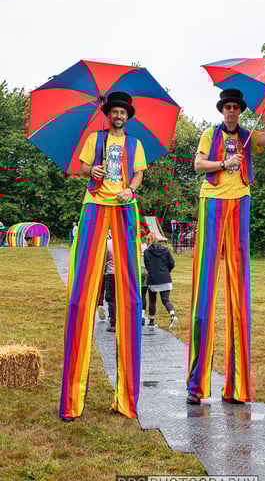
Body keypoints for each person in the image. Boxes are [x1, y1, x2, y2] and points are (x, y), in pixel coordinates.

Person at [186, 88, 265, 405]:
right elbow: (198, 165)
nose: (231, 112)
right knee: (205, 289)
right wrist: (223, 163)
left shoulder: (248, 136)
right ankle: (196, 387)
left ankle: (237, 387)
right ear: (221, 110)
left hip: (240, 202)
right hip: (211, 202)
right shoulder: (208, 134)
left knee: (239, 289)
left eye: (236, 108)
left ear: (241, 112)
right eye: (227, 107)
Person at [59, 91, 147, 421]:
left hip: (124, 207)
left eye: (124, 112)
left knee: (128, 290)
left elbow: (139, 173)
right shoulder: (94, 139)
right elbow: (81, 168)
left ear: (128, 116)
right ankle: (72, 400)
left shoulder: (135, 144)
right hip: (94, 205)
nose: (119, 116)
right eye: (115, 111)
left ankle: (126, 398)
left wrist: (131, 189)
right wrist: (91, 172)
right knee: (82, 291)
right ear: (108, 114)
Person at [144, 233, 178, 329]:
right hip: (165, 277)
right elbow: (172, 263)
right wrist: (167, 271)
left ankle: (151, 320)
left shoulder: (147, 252)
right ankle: (173, 315)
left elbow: (147, 265)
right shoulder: (165, 250)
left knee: (152, 300)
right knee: (165, 300)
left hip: (153, 279)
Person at [104, 231, 116, 332]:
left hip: (110, 273)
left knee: (111, 298)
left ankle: (113, 322)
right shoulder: (122, 242)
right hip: (121, 274)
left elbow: (104, 259)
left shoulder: (107, 244)